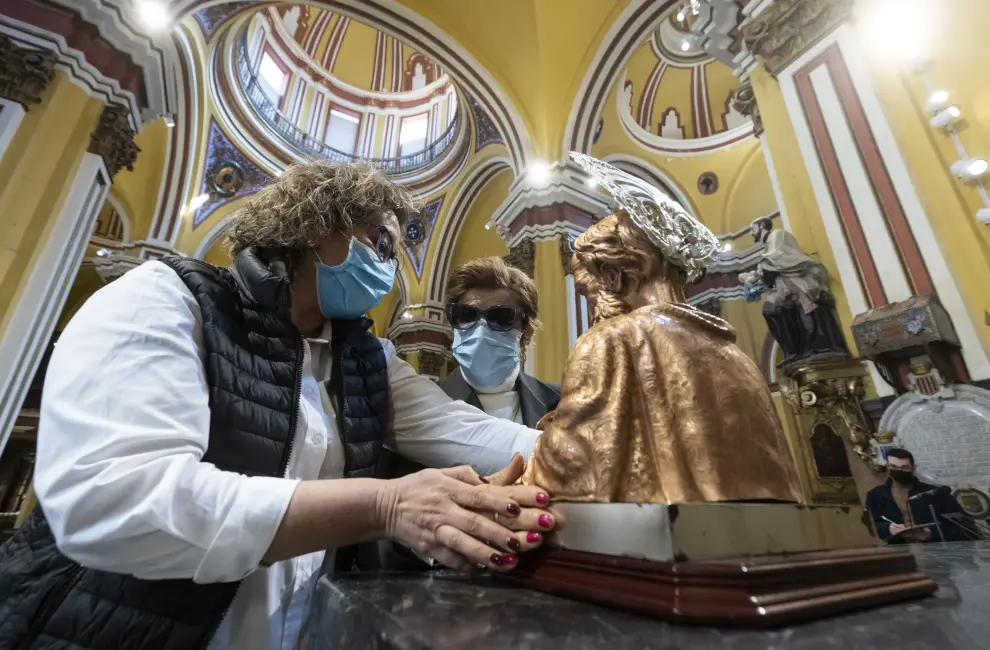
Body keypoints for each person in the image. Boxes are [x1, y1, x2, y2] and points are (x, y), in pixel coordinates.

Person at [0, 161, 558, 650]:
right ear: (315, 224)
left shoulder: (367, 358)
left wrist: (599, 450)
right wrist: (387, 506)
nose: (389, 268)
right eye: (379, 242)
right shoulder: (168, 297)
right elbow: (110, 503)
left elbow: (462, 428)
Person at [521, 154, 802, 503]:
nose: (591, 303)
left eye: (586, 290)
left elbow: (574, 462)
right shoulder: (735, 354)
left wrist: (532, 457)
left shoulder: (612, 340)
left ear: (613, 276)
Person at [442, 256, 561, 427]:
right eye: (466, 315)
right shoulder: (423, 404)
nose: (480, 329)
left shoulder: (562, 404)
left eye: (501, 318)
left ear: (526, 330)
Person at [866, 448, 975, 544]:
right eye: (893, 467)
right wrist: (889, 529)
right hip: (898, 552)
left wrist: (932, 533)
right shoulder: (875, 496)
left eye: (904, 468)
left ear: (913, 468)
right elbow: (870, 528)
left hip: (936, 551)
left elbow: (966, 525)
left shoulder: (935, 493)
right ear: (887, 468)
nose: (899, 471)